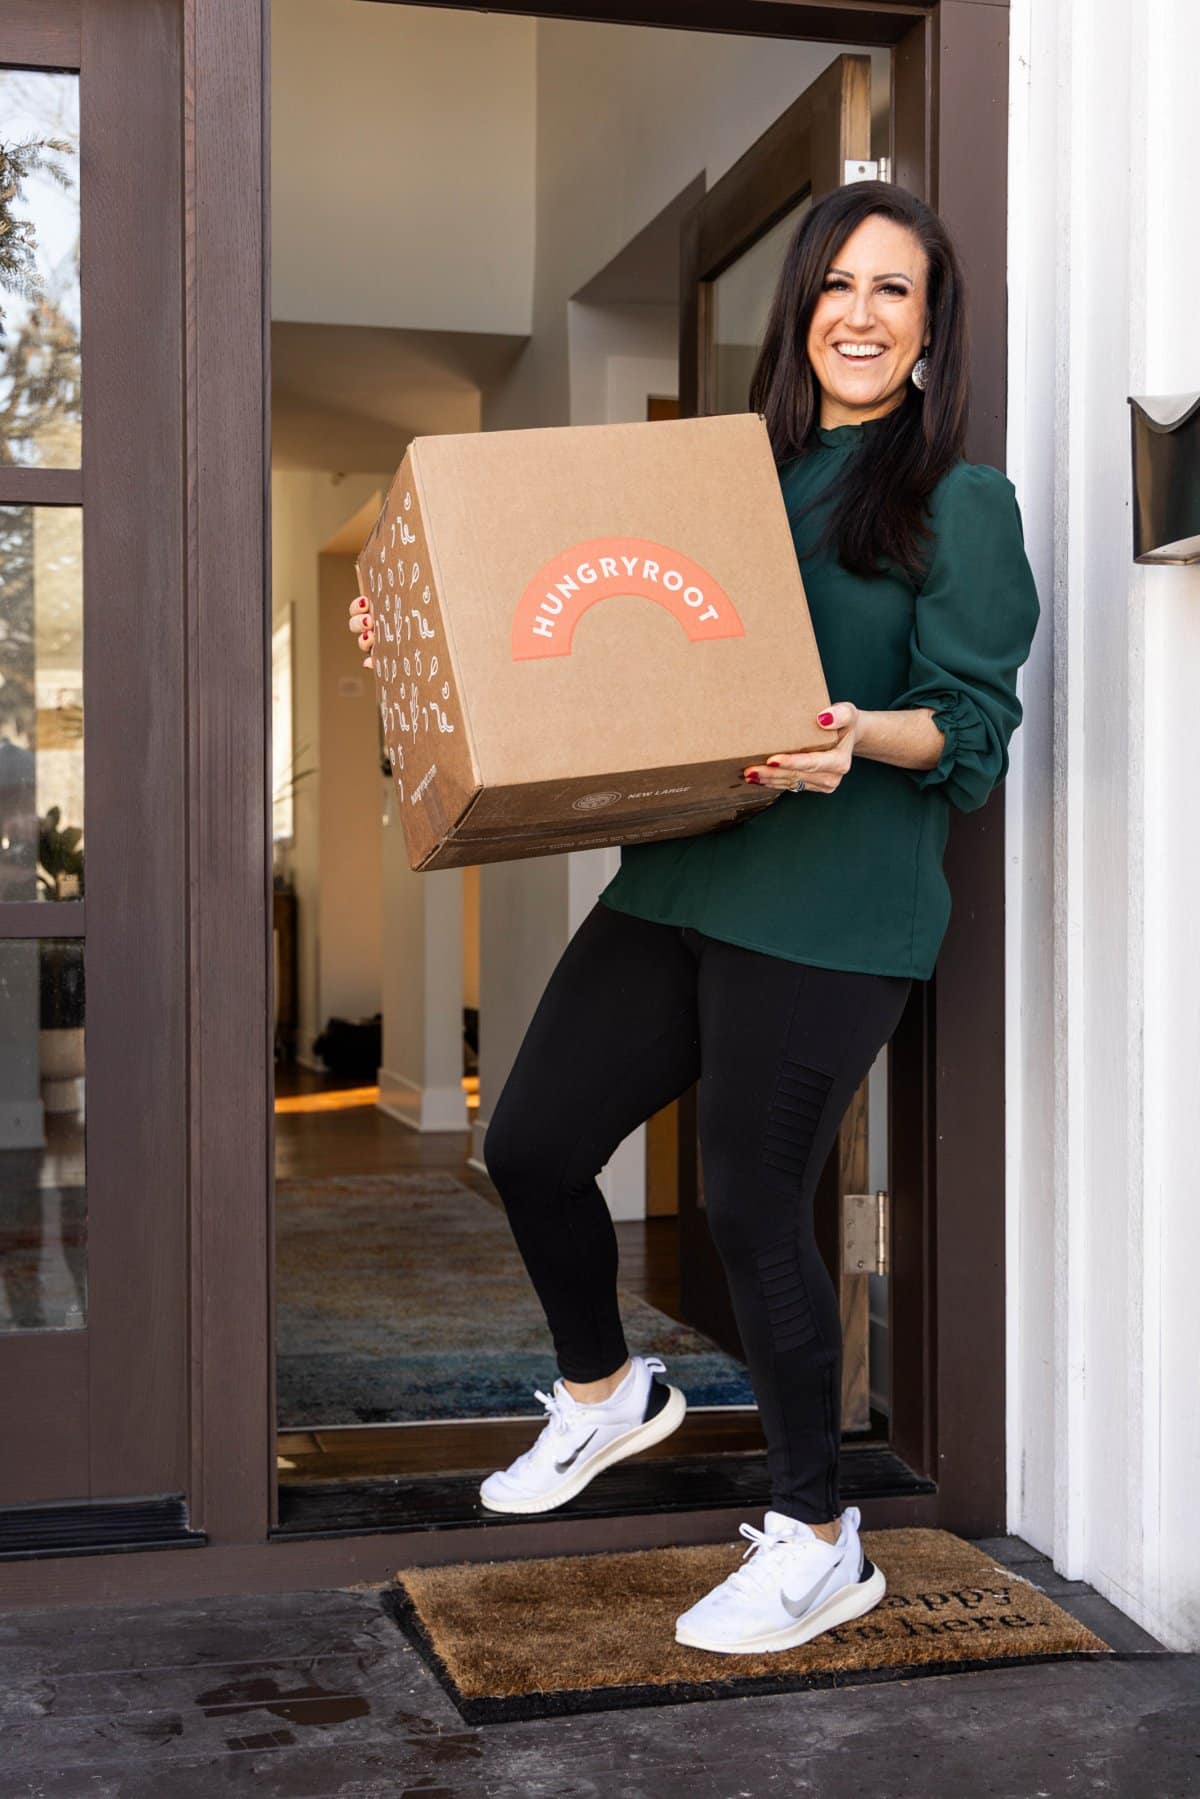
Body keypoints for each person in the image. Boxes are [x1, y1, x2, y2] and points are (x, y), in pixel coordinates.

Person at [348, 182, 1040, 1658]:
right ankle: (608, 1397)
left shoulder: (957, 503)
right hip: (685, 876)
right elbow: (582, 621)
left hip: (836, 898)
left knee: (747, 1205)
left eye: (895, 291)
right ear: (800, 310)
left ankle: (816, 1536)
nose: (860, 312)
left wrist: (865, 734)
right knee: (532, 1143)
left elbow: (973, 727)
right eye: (837, 284)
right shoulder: (727, 478)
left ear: (931, 332)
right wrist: (421, 617)